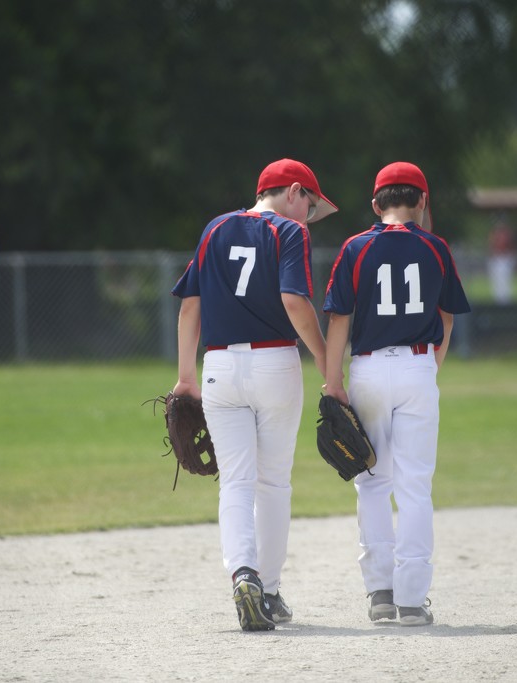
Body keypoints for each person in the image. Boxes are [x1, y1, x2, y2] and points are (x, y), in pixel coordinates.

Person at [170, 158, 338, 632]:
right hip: (274, 365)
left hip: (219, 367)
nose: (308, 216)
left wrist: (186, 377)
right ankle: (268, 588)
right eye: (310, 203)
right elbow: (293, 301)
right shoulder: (288, 233)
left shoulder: (215, 229)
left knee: (236, 483)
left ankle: (243, 574)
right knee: (273, 483)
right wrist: (329, 368)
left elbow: (190, 307)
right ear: (293, 192)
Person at [322, 161, 471, 627]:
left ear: (375, 205)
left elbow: (339, 321)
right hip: (418, 367)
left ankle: (380, 593)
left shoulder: (356, 247)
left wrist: (333, 384)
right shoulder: (435, 248)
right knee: (415, 487)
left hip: (366, 369)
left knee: (371, 482)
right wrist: (430, 367)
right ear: (422, 202)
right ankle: (411, 599)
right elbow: (447, 316)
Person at [487, 218, 515, 305]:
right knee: (496, 281)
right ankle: (498, 300)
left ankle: (505, 300)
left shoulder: (506, 235)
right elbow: (492, 246)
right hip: (497, 258)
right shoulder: (494, 235)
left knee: (505, 281)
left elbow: (508, 245)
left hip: (504, 258)